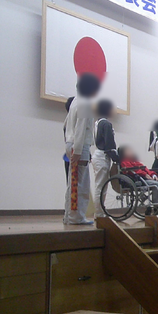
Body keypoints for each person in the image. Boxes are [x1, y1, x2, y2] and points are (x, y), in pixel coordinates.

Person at [63, 74, 100, 225]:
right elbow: (81, 128)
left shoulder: (75, 101)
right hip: (79, 145)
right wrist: (78, 150)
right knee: (81, 183)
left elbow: (66, 125)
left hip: (70, 143)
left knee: (72, 182)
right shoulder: (85, 103)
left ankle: (68, 215)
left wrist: (70, 145)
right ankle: (76, 217)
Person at [92, 99, 119, 219]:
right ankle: (99, 214)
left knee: (101, 186)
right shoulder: (106, 124)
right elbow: (109, 145)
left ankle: (99, 212)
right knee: (101, 187)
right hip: (102, 156)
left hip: (99, 155)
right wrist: (117, 159)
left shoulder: (97, 122)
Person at [62, 96, 75, 183]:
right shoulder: (70, 122)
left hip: (70, 155)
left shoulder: (67, 121)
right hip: (73, 156)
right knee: (73, 185)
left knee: (72, 184)